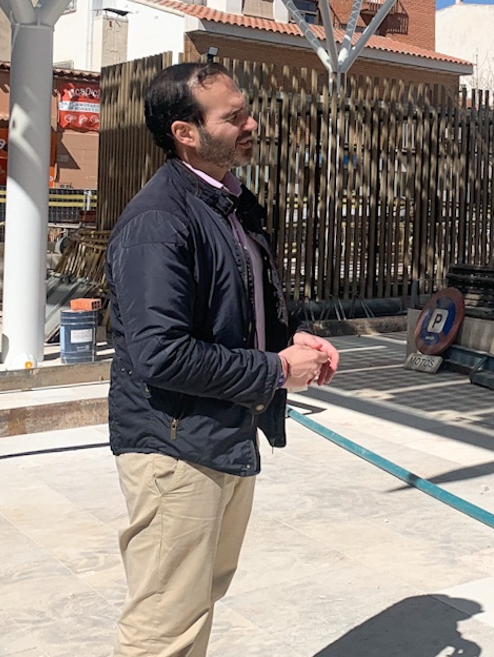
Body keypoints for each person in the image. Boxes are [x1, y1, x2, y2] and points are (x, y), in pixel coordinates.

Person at [106, 61, 339, 657]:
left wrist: (298, 338)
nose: (250, 123)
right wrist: (277, 371)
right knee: (165, 625)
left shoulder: (232, 204)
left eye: (245, 111)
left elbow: (248, 306)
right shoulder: (160, 220)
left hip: (224, 432)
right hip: (175, 445)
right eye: (233, 117)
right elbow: (162, 354)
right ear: (186, 132)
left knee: (198, 597)